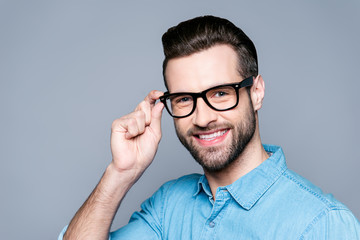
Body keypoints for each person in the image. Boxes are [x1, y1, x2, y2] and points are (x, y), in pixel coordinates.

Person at [59, 15, 360, 239]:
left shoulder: (323, 223)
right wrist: (120, 173)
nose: (202, 118)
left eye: (220, 93)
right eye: (184, 99)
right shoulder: (169, 206)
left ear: (256, 92)